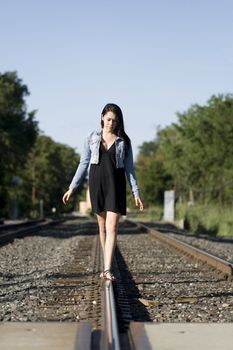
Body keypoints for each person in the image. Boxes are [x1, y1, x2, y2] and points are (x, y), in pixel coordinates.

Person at [62, 103, 143, 281]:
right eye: (108, 119)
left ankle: (107, 269)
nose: (111, 123)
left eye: (114, 120)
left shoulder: (124, 141)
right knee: (102, 228)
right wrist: (72, 187)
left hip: (116, 185)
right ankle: (106, 263)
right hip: (97, 183)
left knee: (112, 226)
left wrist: (136, 192)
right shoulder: (91, 138)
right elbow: (83, 163)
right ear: (101, 117)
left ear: (119, 121)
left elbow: (129, 169)